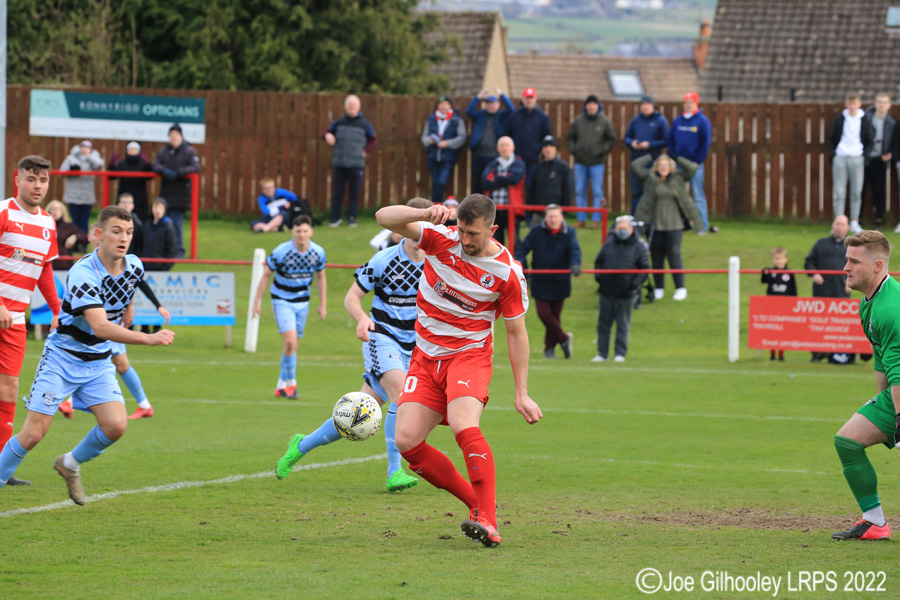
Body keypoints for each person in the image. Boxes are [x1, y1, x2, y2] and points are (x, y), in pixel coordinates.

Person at [375, 194, 543, 549]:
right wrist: (425, 213)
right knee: (406, 441)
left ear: (492, 229)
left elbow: (517, 333)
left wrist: (521, 392)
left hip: (468, 357)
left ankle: (490, 522)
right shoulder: (441, 238)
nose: (466, 240)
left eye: (474, 234)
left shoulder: (507, 273)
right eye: (463, 230)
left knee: (464, 424)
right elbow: (383, 216)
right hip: (425, 358)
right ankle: (477, 504)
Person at [0, 206, 175, 501]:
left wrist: (130, 306)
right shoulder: (83, 273)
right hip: (62, 358)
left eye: (128, 232)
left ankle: (69, 463)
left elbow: (129, 283)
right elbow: (101, 327)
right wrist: (149, 339)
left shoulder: (133, 265)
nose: (123, 238)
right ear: (98, 235)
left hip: (98, 361)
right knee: (32, 434)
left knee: (116, 425)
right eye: (116, 231)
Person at [276, 198, 432, 492]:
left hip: (416, 346)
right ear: (403, 228)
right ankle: (394, 472)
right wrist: (362, 319)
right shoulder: (384, 260)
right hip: (382, 337)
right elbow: (350, 297)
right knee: (402, 394)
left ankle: (300, 445)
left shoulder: (439, 264)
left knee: (358, 414)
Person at [831, 230, 897, 541]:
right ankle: (874, 523)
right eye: (846, 259)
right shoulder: (868, 303)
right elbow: (883, 361)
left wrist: (898, 418)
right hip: (895, 393)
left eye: (854, 261)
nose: (846, 267)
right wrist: (881, 405)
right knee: (848, 441)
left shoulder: (890, 308)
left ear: (877, 266)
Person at [0, 156, 60, 486]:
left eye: (43, 180)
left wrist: (56, 308)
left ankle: (1, 467)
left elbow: (45, 270)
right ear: (17, 180)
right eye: (31, 179)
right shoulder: (3, 212)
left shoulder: (49, 223)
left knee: (8, 391)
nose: (37, 185)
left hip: (16, 321)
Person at [252, 215, 327, 399]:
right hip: (282, 300)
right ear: (293, 232)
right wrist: (256, 302)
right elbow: (266, 275)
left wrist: (323, 304)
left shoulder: (317, 252)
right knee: (291, 342)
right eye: (298, 231)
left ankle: (281, 385)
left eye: (305, 231)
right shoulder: (281, 251)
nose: (302, 235)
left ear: (311, 232)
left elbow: (321, 276)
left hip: (303, 303)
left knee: (291, 346)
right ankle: (292, 384)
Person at [514, 204, 581, 359]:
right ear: (546, 218)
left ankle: (549, 350)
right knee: (544, 314)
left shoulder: (570, 233)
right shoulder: (536, 232)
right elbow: (523, 249)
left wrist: (575, 264)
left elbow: (575, 250)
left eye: (556, 216)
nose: (553, 219)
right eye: (550, 216)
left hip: (560, 280)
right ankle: (564, 339)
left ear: (561, 217)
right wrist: (519, 262)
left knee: (555, 316)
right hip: (541, 280)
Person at [633, 154, 703, 301]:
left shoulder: (678, 178)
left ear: (670, 167)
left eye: (666, 165)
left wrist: (677, 157)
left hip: (674, 225)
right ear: (657, 167)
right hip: (655, 225)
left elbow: (692, 168)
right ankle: (659, 288)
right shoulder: (650, 179)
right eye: (661, 165)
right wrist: (651, 155)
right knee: (656, 257)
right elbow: (635, 166)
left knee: (674, 255)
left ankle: (680, 288)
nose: (664, 168)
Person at [592, 215, 649, 363]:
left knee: (623, 324)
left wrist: (633, 284)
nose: (622, 231)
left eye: (624, 228)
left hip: (626, 293)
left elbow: (644, 268)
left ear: (631, 230)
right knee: (603, 324)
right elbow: (598, 262)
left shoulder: (638, 246)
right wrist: (600, 279)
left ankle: (620, 353)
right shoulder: (609, 243)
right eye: (619, 228)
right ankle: (602, 353)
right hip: (606, 291)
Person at [323, 95, 377, 227]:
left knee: (354, 192)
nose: (351, 108)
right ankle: (335, 218)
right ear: (345, 107)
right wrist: (327, 135)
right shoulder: (339, 122)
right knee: (337, 191)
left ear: (358, 107)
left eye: (354, 105)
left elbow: (373, 139)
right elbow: (326, 132)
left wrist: (365, 151)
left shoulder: (365, 124)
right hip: (340, 162)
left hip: (356, 163)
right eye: (349, 105)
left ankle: (352, 218)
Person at [805, 215, 852, 363]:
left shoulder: (853, 247)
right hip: (822, 292)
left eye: (843, 224)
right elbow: (809, 263)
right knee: (819, 325)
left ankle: (840, 356)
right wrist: (814, 274)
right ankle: (817, 354)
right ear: (833, 225)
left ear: (848, 227)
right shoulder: (821, 244)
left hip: (841, 293)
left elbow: (860, 267)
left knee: (840, 326)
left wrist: (851, 282)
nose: (839, 227)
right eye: (837, 224)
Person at [566, 94, 616, 229]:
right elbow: (570, 137)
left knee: (597, 191)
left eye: (594, 104)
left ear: (598, 106)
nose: (591, 106)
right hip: (580, 162)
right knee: (580, 190)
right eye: (589, 104)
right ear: (586, 106)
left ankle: (595, 219)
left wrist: (601, 151)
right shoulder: (578, 121)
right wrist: (574, 149)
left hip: (597, 163)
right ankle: (581, 218)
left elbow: (611, 139)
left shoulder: (604, 121)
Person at [668, 92, 714, 235]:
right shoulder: (678, 121)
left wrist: (698, 161)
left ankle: (702, 226)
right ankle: (681, 223)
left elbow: (705, 143)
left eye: (691, 102)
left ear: (696, 104)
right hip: (678, 163)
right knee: (676, 194)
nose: (688, 105)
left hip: (694, 165)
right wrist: (673, 156)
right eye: (686, 102)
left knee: (698, 194)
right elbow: (670, 140)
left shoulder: (702, 120)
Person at [827, 94, 873, 235]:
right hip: (841, 157)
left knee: (856, 192)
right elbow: (831, 137)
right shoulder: (840, 119)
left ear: (859, 104)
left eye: (854, 103)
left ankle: (854, 222)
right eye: (849, 103)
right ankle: (838, 223)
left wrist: (864, 156)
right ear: (846, 104)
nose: (852, 106)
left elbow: (870, 139)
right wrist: (834, 154)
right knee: (840, 192)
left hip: (857, 157)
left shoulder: (864, 120)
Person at [153, 124, 200, 256]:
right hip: (166, 193)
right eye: (171, 135)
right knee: (164, 223)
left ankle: (179, 250)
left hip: (181, 194)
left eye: (176, 135)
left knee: (175, 224)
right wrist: (164, 171)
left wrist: (178, 173)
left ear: (181, 136)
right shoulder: (164, 152)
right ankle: (165, 250)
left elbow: (195, 167)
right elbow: (155, 165)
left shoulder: (189, 151)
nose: (173, 138)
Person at [624, 95, 669, 215]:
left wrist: (649, 144)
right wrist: (632, 143)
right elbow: (627, 137)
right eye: (643, 105)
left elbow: (666, 141)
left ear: (653, 106)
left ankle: (650, 219)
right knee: (636, 192)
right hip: (636, 161)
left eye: (647, 105)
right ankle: (634, 219)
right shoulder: (636, 120)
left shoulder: (661, 120)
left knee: (651, 192)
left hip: (652, 163)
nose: (645, 107)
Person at [466, 87, 515, 195]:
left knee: (491, 181)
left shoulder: (501, 115)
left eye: (493, 103)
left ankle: (488, 206)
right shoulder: (481, 115)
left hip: (494, 156)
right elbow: (469, 111)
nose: (490, 105)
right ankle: (474, 205)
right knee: (476, 182)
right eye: (488, 103)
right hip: (478, 154)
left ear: (498, 105)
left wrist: (501, 94)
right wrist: (479, 96)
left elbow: (512, 110)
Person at [421, 96, 467, 204]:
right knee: (435, 182)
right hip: (433, 155)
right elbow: (424, 137)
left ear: (450, 106)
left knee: (442, 182)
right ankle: (437, 205)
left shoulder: (456, 119)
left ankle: (435, 204)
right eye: (441, 104)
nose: (443, 106)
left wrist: (448, 143)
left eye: (446, 104)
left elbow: (462, 137)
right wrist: (429, 141)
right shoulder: (432, 118)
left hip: (448, 156)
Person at [481, 136, 526, 245]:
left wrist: (495, 177)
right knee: (495, 242)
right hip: (494, 210)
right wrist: (506, 179)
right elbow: (485, 182)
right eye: (502, 145)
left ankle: (516, 262)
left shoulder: (519, 164)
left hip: (512, 208)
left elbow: (515, 179)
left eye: (507, 145)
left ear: (513, 147)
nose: (504, 148)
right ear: (498, 148)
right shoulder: (492, 164)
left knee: (514, 242)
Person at [505, 87, 552, 182]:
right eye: (527, 97)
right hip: (516, 159)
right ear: (523, 99)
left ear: (535, 99)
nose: (529, 100)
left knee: (531, 185)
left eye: (531, 98)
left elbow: (547, 137)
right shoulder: (514, 116)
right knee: (517, 186)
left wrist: (541, 153)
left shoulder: (542, 117)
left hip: (535, 160)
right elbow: (507, 135)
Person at [863, 94, 894, 231]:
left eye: (884, 102)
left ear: (889, 105)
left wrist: (889, 153)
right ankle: (858, 219)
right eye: (879, 102)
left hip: (879, 160)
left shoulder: (891, 123)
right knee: (861, 190)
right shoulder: (867, 119)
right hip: (865, 157)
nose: (881, 105)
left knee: (879, 190)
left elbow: (894, 141)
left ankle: (878, 220)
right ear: (875, 104)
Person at [760, 247, 797, 361]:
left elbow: (793, 290)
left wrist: (793, 304)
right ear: (773, 260)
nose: (778, 261)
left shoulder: (789, 273)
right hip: (772, 305)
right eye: (776, 259)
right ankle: (772, 353)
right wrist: (764, 272)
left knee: (783, 330)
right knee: (773, 329)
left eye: (780, 258)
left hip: (785, 306)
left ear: (786, 259)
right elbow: (763, 281)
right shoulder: (771, 272)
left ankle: (781, 354)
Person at [60, 140, 104, 234]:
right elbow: (61, 173)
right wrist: (71, 171)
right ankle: (74, 243)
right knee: (75, 221)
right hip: (73, 195)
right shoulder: (71, 158)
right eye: (83, 147)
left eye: (88, 147)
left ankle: (83, 242)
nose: (85, 149)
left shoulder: (93, 158)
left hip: (87, 196)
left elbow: (100, 164)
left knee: (84, 221)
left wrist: (88, 157)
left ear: (91, 149)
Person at [108, 141, 154, 222]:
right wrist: (112, 165)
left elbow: (150, 176)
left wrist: (148, 165)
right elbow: (112, 176)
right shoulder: (122, 164)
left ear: (139, 151)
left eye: (135, 149)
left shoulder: (142, 164)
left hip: (140, 198)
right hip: (124, 195)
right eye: (130, 149)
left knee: (141, 220)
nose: (132, 151)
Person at [527, 136, 573, 212]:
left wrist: (564, 211)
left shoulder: (564, 167)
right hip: (539, 213)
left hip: (557, 214)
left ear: (555, 149)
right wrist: (532, 211)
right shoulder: (537, 169)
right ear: (542, 150)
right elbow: (531, 192)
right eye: (545, 146)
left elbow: (568, 190)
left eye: (551, 146)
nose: (548, 149)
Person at [46, 199, 89, 270]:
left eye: (57, 209)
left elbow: (86, 237)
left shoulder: (69, 226)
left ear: (62, 212)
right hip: (47, 265)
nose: (55, 211)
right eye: (52, 209)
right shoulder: (44, 225)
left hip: (64, 267)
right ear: (49, 211)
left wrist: (75, 236)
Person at [142, 198, 179, 272]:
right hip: (144, 268)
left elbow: (173, 250)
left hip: (160, 270)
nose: (157, 210)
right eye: (155, 207)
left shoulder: (169, 227)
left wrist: (164, 268)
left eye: (160, 207)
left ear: (165, 209)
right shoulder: (146, 226)